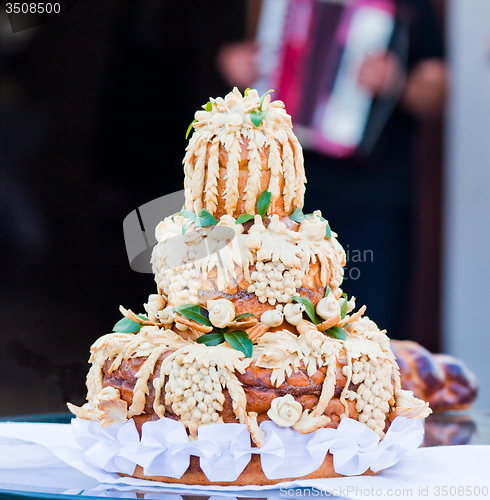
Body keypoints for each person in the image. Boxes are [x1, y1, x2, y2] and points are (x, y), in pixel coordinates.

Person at [216, 0, 447, 339]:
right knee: (281, 327)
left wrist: (396, 82)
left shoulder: (410, 6)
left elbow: (438, 89)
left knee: (372, 324)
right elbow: (231, 52)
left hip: (373, 198)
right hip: (283, 198)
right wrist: (236, 64)